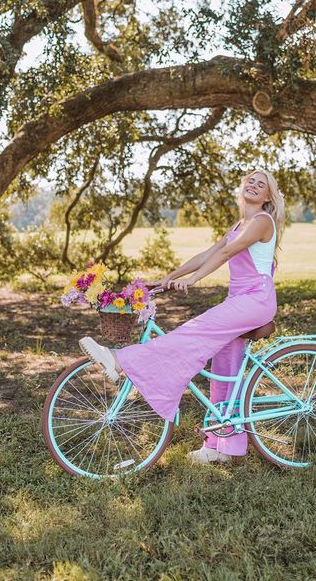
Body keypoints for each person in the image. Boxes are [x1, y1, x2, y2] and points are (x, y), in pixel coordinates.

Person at [79, 169, 285, 463]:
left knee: (195, 330)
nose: (253, 185)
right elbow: (207, 254)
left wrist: (193, 281)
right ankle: (222, 446)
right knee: (224, 372)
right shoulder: (240, 223)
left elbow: (227, 254)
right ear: (242, 188)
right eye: (250, 181)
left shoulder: (262, 221)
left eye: (260, 184)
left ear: (267, 196)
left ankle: (120, 359)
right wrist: (170, 278)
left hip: (256, 300)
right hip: (241, 300)